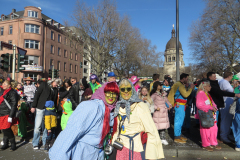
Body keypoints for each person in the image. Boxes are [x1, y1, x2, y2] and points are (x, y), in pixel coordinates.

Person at [49, 82, 119, 160]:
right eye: (108, 92)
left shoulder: (112, 111)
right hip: (83, 154)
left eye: (115, 93)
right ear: (102, 92)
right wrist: (58, 157)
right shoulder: (91, 107)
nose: (111, 96)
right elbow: (70, 133)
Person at [111, 78, 164, 160]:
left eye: (128, 89)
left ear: (132, 89)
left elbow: (151, 129)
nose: (126, 91)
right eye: (123, 89)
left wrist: (153, 153)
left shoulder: (141, 106)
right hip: (120, 146)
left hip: (136, 146)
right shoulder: (116, 106)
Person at [168, 73, 195, 143]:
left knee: (180, 120)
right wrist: (191, 89)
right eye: (187, 78)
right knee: (178, 121)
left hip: (181, 105)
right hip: (179, 105)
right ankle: (176, 136)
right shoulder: (180, 85)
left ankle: (179, 135)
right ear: (183, 78)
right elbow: (185, 95)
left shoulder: (179, 85)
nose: (187, 80)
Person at [196, 80, 221, 151]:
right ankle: (205, 144)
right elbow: (199, 105)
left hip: (211, 114)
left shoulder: (206, 93)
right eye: (209, 86)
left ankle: (213, 142)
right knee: (205, 130)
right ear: (205, 86)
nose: (211, 87)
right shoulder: (201, 93)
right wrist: (210, 107)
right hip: (205, 115)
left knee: (214, 128)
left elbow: (212, 102)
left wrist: (215, 107)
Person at [31, 80, 51, 150]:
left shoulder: (44, 85)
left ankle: (36, 143)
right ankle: (43, 142)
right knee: (44, 126)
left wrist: (33, 106)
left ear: (38, 84)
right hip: (46, 108)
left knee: (38, 126)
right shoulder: (47, 86)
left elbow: (36, 96)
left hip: (41, 108)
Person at [150, 81, 172, 145]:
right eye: (159, 85)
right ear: (156, 86)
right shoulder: (154, 95)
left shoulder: (163, 94)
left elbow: (166, 100)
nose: (161, 86)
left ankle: (163, 139)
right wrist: (156, 107)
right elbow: (150, 103)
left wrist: (169, 105)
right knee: (156, 126)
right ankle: (156, 139)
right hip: (157, 113)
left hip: (164, 112)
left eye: (161, 85)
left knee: (163, 126)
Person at [0, 80, 18, 151]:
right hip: (1, 113)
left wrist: (10, 116)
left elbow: (14, 105)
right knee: (4, 129)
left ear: (9, 86)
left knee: (7, 129)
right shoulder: (3, 92)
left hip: (7, 113)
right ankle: (5, 143)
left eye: (4, 84)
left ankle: (13, 144)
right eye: (3, 84)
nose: (3, 85)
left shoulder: (12, 92)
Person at [218, 72, 236, 143]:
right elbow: (232, 91)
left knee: (226, 120)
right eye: (232, 76)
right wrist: (235, 87)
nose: (232, 78)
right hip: (225, 104)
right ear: (229, 76)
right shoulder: (225, 82)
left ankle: (226, 135)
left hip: (225, 103)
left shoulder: (222, 81)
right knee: (225, 120)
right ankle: (224, 136)